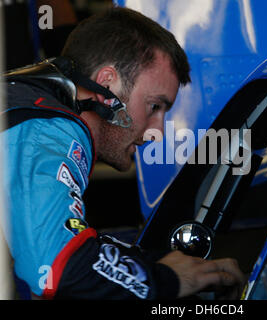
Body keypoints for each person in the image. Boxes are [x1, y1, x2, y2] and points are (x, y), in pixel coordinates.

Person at [1, 7, 245, 300]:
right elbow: (60, 270)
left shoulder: (25, 106)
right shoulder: (47, 129)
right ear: (107, 86)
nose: (158, 131)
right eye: (154, 107)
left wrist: (145, 263)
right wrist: (167, 280)